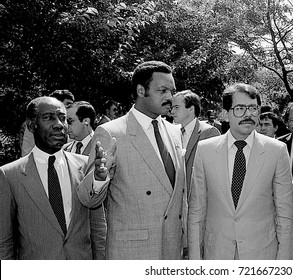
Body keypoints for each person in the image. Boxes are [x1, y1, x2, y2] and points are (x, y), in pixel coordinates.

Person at [77, 61, 185, 259]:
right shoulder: (111, 132)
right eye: (162, 90)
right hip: (132, 253)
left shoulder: (175, 132)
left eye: (172, 91)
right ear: (141, 90)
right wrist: (100, 177)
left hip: (172, 249)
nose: (170, 97)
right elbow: (87, 199)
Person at [188, 83, 293, 260]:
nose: (248, 114)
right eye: (239, 108)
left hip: (262, 255)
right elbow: (197, 212)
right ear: (225, 113)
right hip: (217, 254)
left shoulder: (277, 151)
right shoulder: (205, 150)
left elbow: (285, 215)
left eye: (253, 108)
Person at [0, 96, 106, 259]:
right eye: (48, 118)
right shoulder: (9, 175)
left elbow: (98, 229)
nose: (58, 125)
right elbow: (4, 242)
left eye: (63, 118)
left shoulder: (86, 166)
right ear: (31, 124)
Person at [171, 90, 221, 193]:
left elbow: (215, 175)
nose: (172, 112)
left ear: (191, 109)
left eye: (176, 107)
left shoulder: (209, 133)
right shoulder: (172, 133)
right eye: (172, 108)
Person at [20, 90, 75, 157]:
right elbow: (27, 150)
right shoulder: (34, 123)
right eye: (68, 104)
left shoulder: (71, 123)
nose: (71, 107)